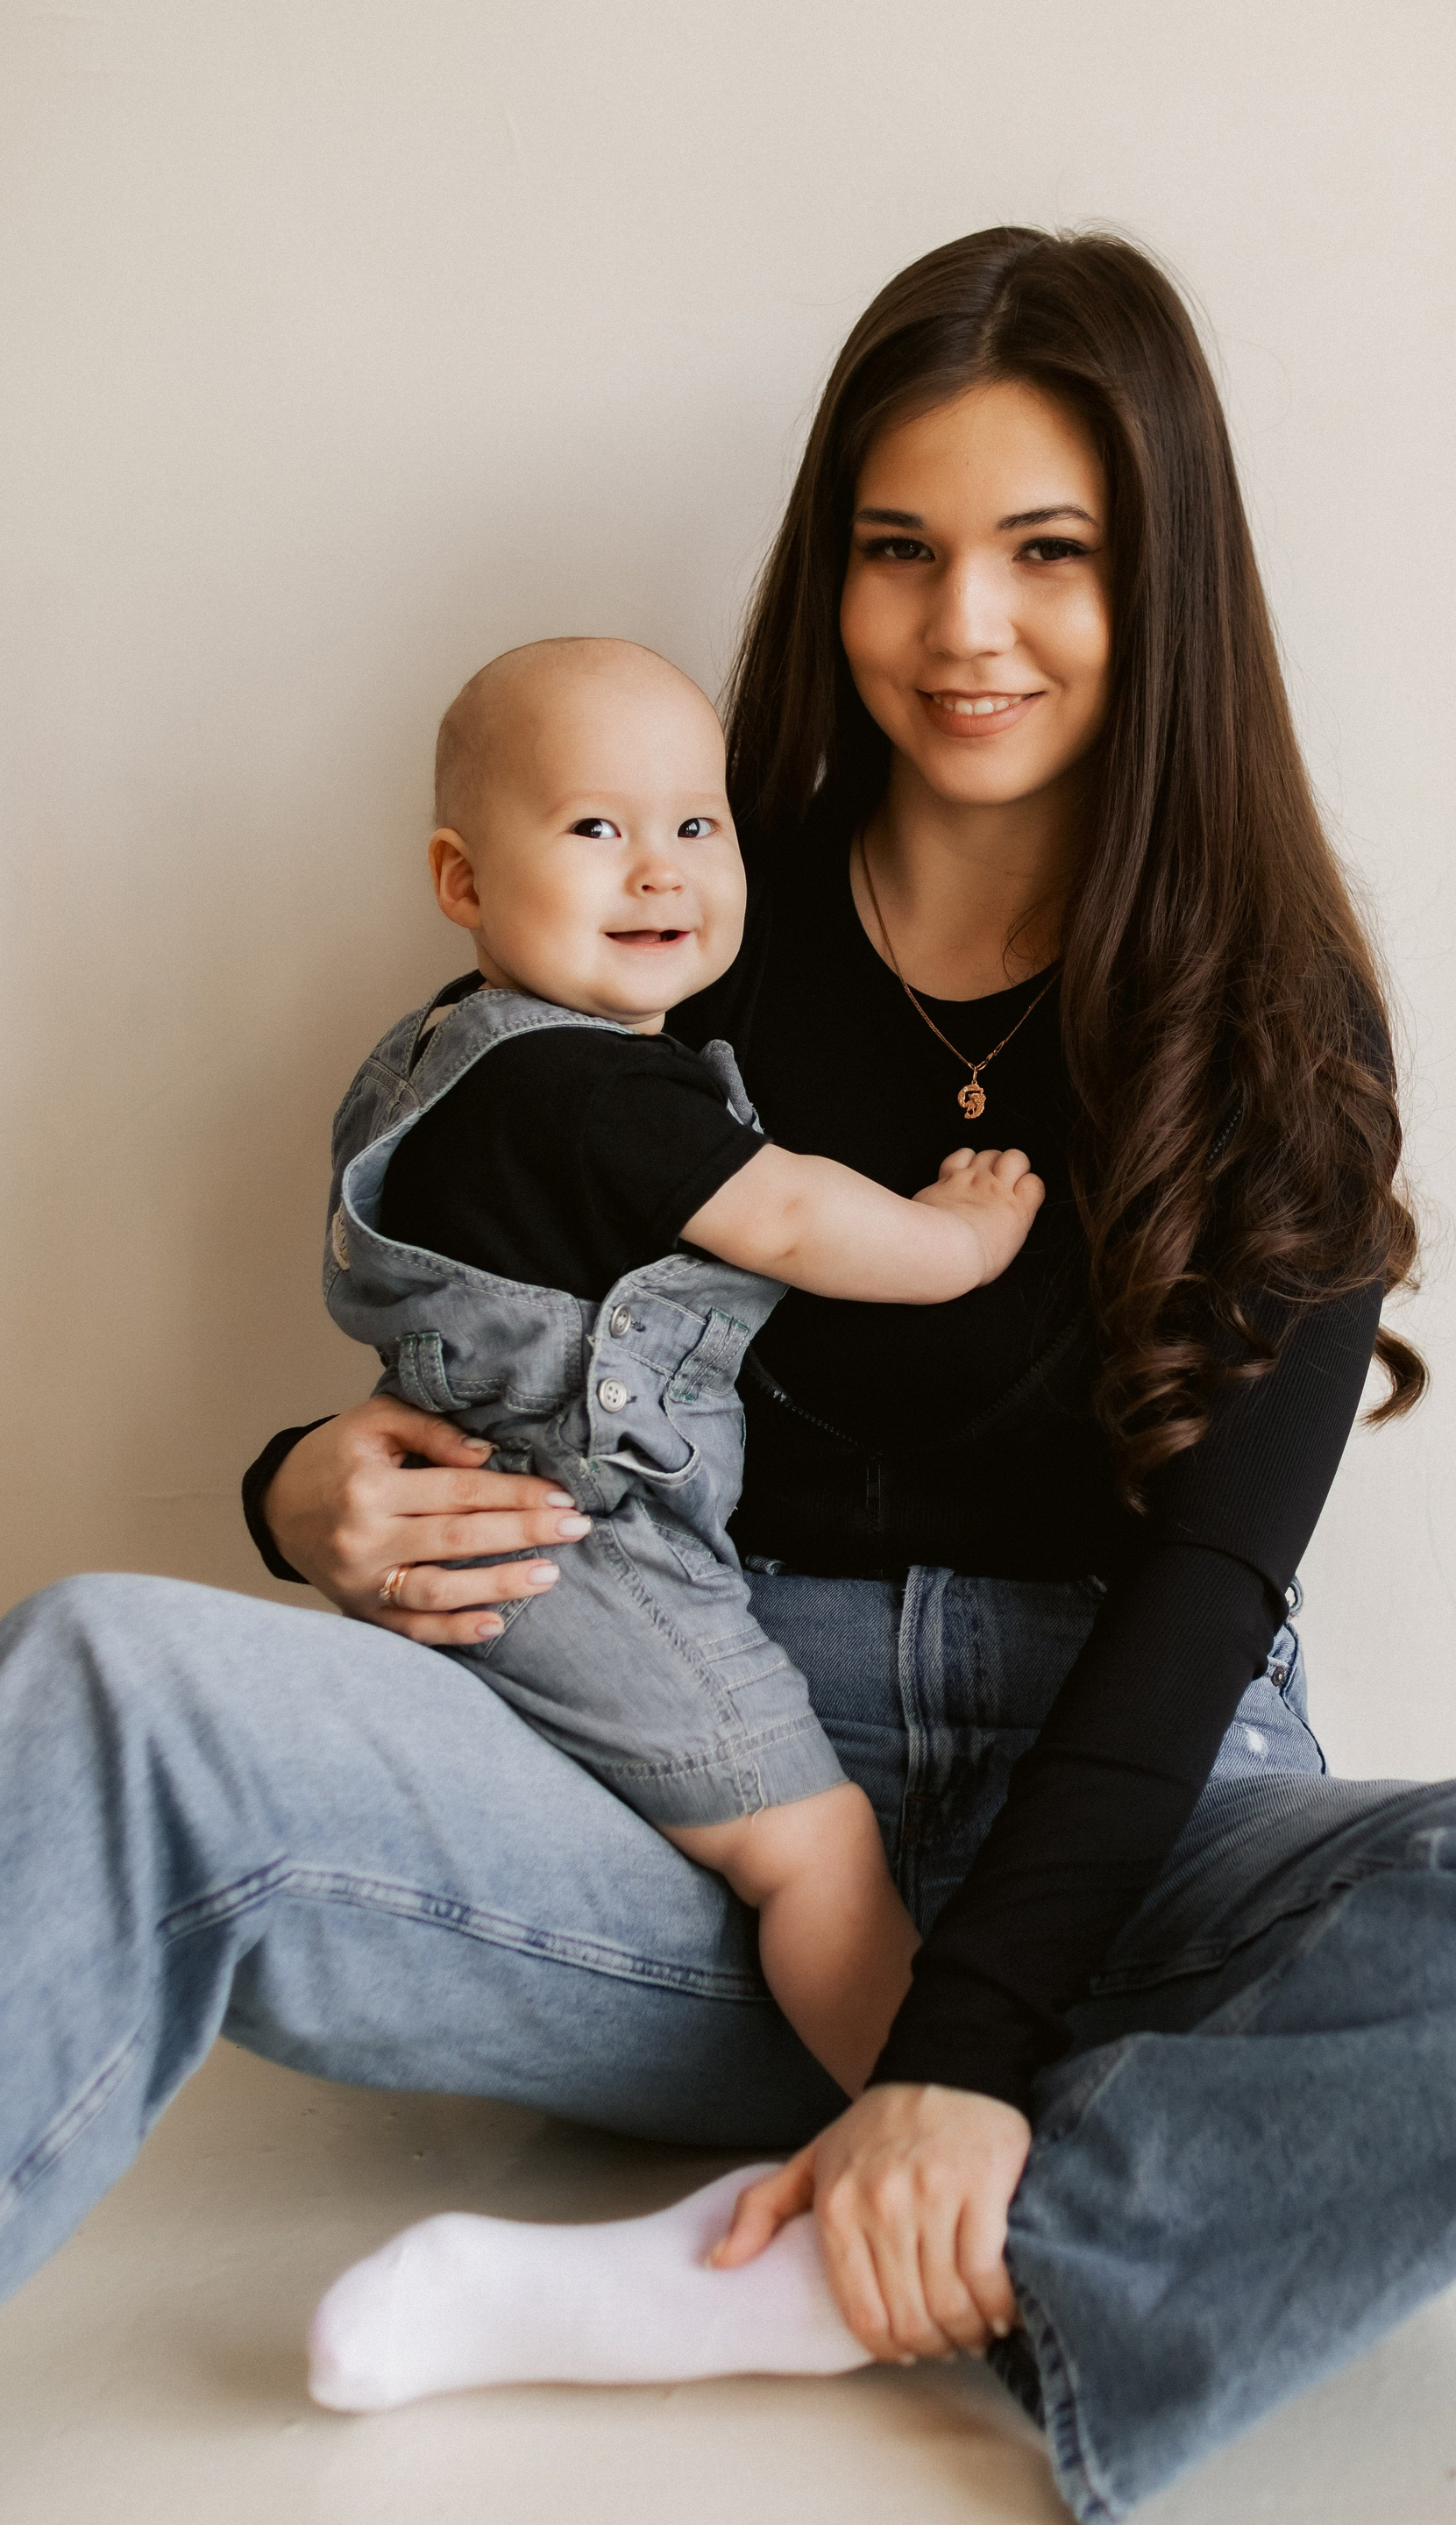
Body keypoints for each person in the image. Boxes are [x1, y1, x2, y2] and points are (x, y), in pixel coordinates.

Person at [4, 226, 1456, 2521]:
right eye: (902, 551)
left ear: (1164, 578)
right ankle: (932, 2188)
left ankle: (817, 2275)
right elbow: (475, 1277)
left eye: (1048, 552)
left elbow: (1211, 1583)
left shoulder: (1274, 1011)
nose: (966, 625)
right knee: (101, 1679)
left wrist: (963, 2052)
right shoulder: (676, 902)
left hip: (1135, 1822)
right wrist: (302, 1486)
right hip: (691, 1812)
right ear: (834, 570)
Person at [321, 631, 1042, 2100]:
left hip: (511, 1554)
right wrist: (957, 1241)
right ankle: (922, 2121)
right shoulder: (578, 1089)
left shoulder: (440, 1058)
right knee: (815, 1848)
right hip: (591, 1550)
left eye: (696, 826)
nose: (660, 871)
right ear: (462, 881)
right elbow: (791, 1216)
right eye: (597, 829)